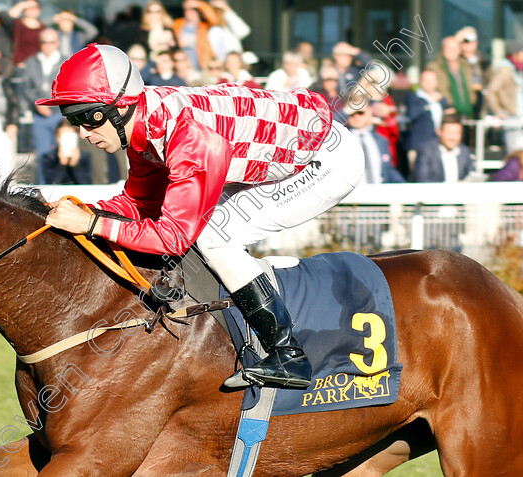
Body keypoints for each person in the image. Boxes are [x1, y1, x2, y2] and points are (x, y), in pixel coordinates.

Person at [38, 44, 366, 390]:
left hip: (326, 160)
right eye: (73, 120)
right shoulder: (143, 124)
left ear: (121, 107)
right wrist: (83, 212)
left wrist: (91, 224)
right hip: (281, 148)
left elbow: (172, 235)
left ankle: (288, 355)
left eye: (90, 117)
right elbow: (138, 203)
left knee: (213, 235)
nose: (83, 133)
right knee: (204, 227)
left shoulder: (188, 137)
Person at [19, 28, 67, 184]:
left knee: (64, 151)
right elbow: (25, 87)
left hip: (61, 113)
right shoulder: (31, 62)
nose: (47, 45)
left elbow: (69, 86)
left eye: (51, 42)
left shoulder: (66, 61)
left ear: (57, 43)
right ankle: (45, 187)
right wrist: (37, 102)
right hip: (39, 115)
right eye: (44, 42)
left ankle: (63, 185)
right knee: (42, 153)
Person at [346, 105, 404, 184]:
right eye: (351, 114)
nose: (356, 117)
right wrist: (344, 111)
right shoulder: (341, 141)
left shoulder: (381, 140)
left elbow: (388, 170)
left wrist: (404, 185)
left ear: (369, 114)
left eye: (361, 113)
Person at [485, 40, 523, 153]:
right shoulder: (504, 69)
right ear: (515, 53)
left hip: (519, 117)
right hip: (511, 117)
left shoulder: (518, 69)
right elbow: (491, 91)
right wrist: (499, 111)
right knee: (514, 152)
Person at [413, 115, 474, 183]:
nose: (452, 138)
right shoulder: (426, 151)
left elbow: (472, 175)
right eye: (449, 133)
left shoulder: (465, 151)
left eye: (456, 133)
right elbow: (421, 179)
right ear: (439, 132)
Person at [427, 36, 474, 120]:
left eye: (454, 48)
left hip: (468, 112)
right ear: (442, 49)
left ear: (460, 50)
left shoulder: (467, 66)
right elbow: (428, 88)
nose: (450, 51)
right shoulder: (434, 67)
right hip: (446, 113)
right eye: (448, 47)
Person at [173, 0, 219, 71]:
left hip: (201, 64)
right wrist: (177, 43)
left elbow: (214, 19)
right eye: (187, 9)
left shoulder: (203, 25)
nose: (190, 12)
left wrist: (199, 4)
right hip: (183, 67)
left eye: (193, 9)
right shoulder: (178, 24)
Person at [41, 120, 92, 184]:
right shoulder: (49, 157)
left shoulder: (84, 156)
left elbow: (86, 183)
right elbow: (51, 184)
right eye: (63, 136)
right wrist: (61, 165)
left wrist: (75, 166)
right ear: (57, 137)